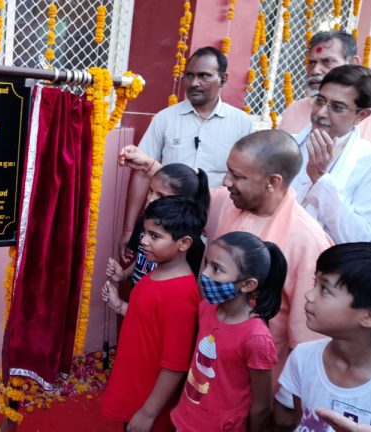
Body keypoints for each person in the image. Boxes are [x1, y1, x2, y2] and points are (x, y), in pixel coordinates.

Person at [118, 129, 333, 385]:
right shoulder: (225, 201)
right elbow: (188, 196)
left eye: (238, 176)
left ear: (273, 182)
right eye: (228, 171)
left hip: (254, 384)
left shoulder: (307, 241)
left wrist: (287, 403)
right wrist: (151, 166)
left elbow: (308, 339)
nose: (228, 182)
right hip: (203, 360)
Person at [118, 46, 251, 261]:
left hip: (214, 232)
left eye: (204, 76)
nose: (194, 83)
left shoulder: (242, 124)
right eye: (189, 75)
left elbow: (244, 182)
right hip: (165, 233)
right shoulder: (166, 118)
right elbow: (142, 173)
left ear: (223, 79)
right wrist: (128, 229)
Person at [100, 196, 206, 432]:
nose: (144, 241)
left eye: (155, 236)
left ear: (184, 243)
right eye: (145, 233)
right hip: (134, 384)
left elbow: (175, 365)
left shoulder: (181, 294)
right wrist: (118, 305)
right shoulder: (158, 271)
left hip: (149, 399)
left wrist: (148, 413)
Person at [171, 231, 286, 432]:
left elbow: (261, 406)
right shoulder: (207, 307)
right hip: (187, 416)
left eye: (217, 269)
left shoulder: (256, 338)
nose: (205, 274)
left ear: (248, 285)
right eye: (207, 263)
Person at [276, 242, 371, 430]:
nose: (309, 295)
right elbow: (303, 423)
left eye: (325, 290)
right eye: (315, 284)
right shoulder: (303, 358)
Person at [290, 65, 371, 243]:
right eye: (320, 100)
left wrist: (320, 179)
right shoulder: (287, 143)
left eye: (337, 107)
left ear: (362, 115)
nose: (321, 112)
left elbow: (356, 236)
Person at [279, 31, 371, 156]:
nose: (315, 71)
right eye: (312, 63)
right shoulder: (294, 109)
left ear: (353, 63)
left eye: (327, 61)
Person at [106, 163, 210, 288]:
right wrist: (124, 275)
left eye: (161, 195)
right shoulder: (143, 222)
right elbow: (143, 259)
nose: (150, 199)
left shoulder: (189, 243)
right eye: (150, 191)